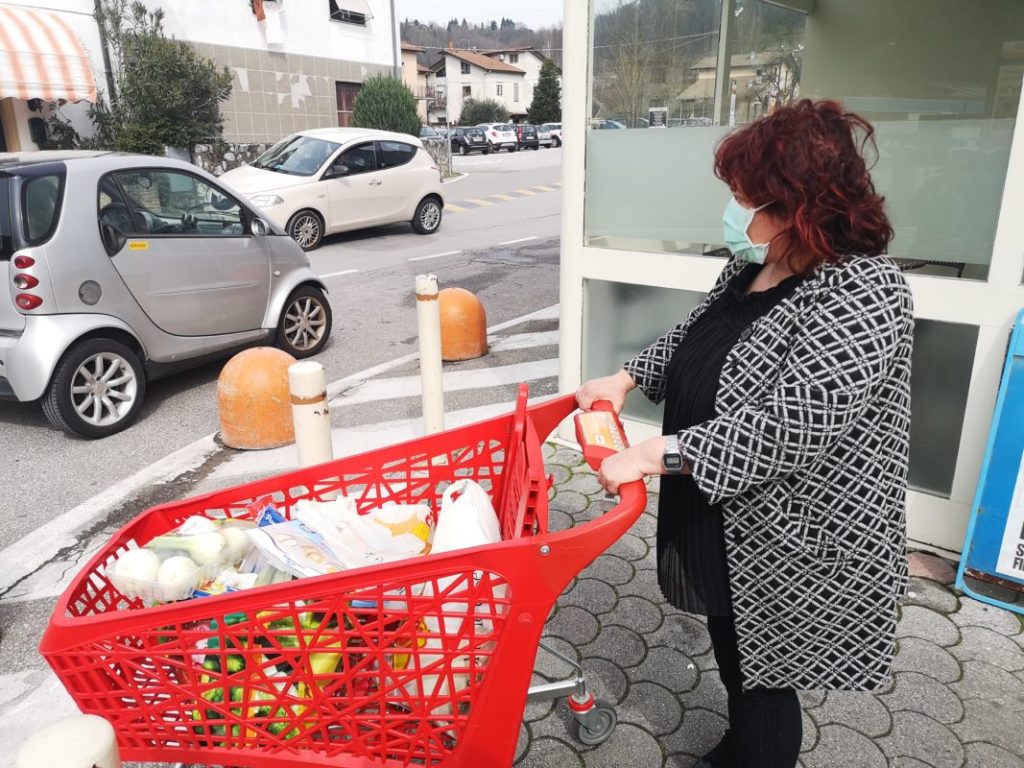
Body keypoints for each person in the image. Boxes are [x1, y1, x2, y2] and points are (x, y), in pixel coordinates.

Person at [576, 99, 914, 768]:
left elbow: (797, 420)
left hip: (791, 530)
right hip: (724, 508)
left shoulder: (865, 290)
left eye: (743, 198)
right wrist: (626, 378)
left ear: (798, 207)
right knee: (735, 652)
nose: (732, 211)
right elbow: (699, 333)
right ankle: (738, 748)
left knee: (764, 678)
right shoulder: (755, 264)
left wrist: (657, 452)